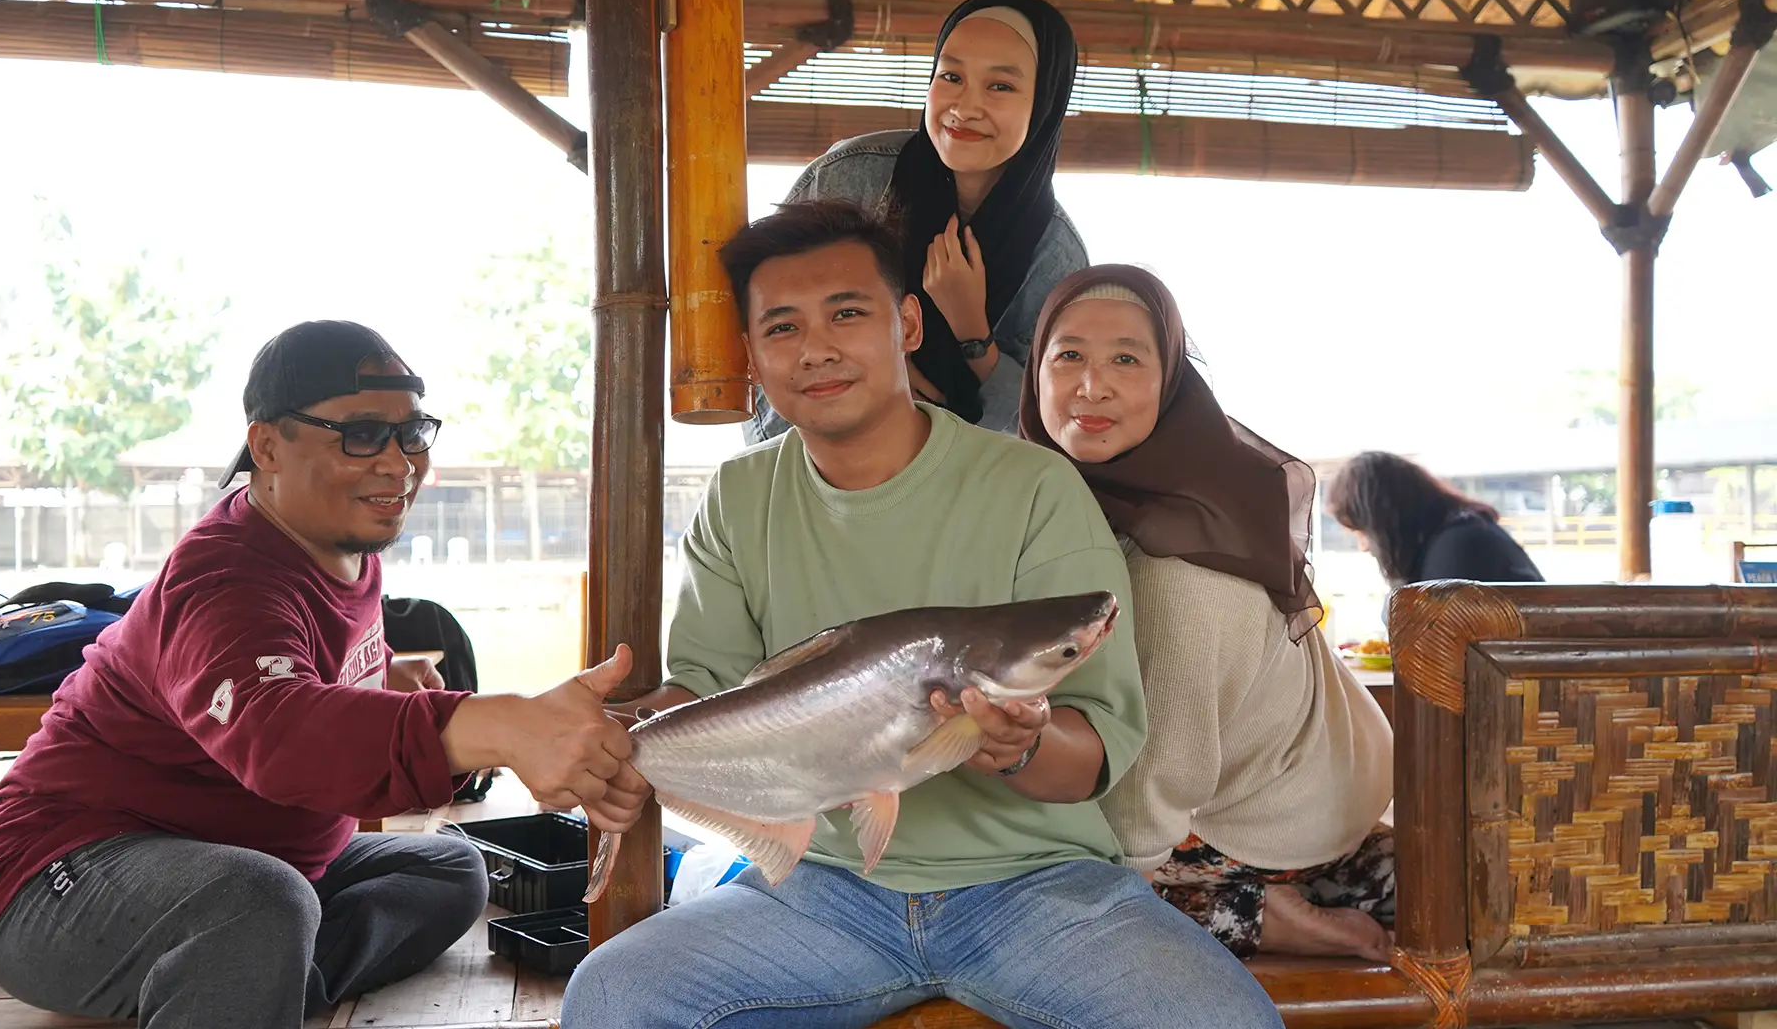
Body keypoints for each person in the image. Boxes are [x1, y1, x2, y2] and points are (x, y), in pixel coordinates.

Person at [561, 202, 1282, 1029]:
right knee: (614, 995)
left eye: (848, 312)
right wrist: (614, 746)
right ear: (754, 359)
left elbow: (1095, 755)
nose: (819, 348)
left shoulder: (1034, 487)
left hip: (1038, 887)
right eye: (783, 327)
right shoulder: (739, 497)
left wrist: (1021, 745)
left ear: (907, 323)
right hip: (823, 891)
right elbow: (705, 698)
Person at [0, 321, 648, 1028]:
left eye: (413, 433)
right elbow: (278, 731)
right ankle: (237, 968)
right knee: (262, 902)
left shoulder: (344, 550)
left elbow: (308, 685)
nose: (399, 463)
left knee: (448, 872)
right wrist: (498, 724)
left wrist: (387, 689)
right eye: (361, 434)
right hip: (58, 878)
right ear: (266, 446)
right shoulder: (224, 579)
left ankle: (240, 982)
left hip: (257, 863)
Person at [1020, 264, 1396, 962]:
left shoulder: (1173, 567)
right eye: (1068, 354)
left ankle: (1254, 915)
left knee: (1012, 886)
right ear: (1034, 371)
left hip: (1271, 823)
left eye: (1126, 360)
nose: (1091, 385)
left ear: (1170, 384)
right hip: (1323, 787)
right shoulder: (1188, 492)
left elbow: (1144, 810)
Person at [744, 0, 1088, 444]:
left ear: (1043, 103)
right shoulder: (850, 176)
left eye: (1000, 86)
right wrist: (881, 366)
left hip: (960, 489)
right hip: (810, 460)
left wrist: (973, 333)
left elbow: (1046, 424)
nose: (965, 107)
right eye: (951, 76)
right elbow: (762, 314)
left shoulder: (1056, 256)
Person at [1327, 450, 1545, 588]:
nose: (1363, 547)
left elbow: (1424, 639)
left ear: (1386, 523)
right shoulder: (1460, 535)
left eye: (1363, 532)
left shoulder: (1459, 549)